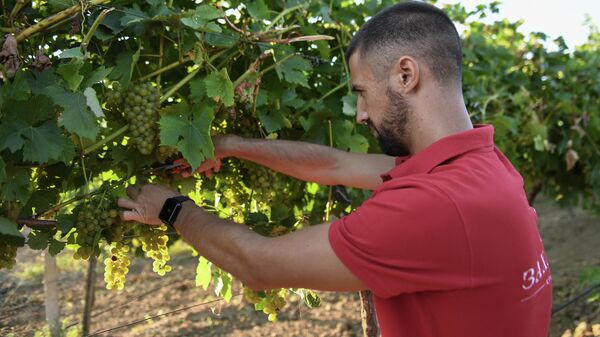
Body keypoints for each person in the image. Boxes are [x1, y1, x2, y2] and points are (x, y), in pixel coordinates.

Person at [118, 2, 552, 336]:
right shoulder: (481, 165)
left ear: (406, 75)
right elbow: (335, 164)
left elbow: (258, 264)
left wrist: (172, 208)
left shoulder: (434, 206)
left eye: (362, 92)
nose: (360, 113)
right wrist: (233, 146)